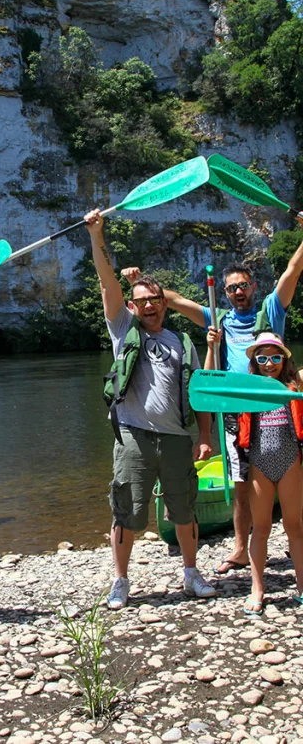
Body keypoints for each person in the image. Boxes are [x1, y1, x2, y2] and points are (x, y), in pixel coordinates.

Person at [122, 241, 303, 576]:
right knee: (240, 483)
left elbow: (292, 271)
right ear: (225, 291)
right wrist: (138, 280)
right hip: (237, 416)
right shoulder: (217, 320)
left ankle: (295, 543)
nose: (238, 292)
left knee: (293, 478)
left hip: (275, 413)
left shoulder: (271, 310)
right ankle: (239, 549)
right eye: (232, 288)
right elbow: (171, 301)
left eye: (243, 286)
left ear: (253, 286)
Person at [84, 210, 216, 610]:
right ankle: (121, 581)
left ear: (163, 303)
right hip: (133, 436)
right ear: (132, 306)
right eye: (141, 301)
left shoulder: (183, 342)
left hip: (177, 438)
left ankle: (191, 573)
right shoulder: (124, 329)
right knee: (127, 511)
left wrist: (206, 438)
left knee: (184, 508)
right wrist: (97, 235)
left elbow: (199, 394)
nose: (148, 307)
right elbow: (108, 282)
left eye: (154, 300)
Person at [205, 330, 303, 614]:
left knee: (295, 527)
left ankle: (301, 586)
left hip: (290, 464)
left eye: (275, 357)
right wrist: (213, 347)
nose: (269, 363)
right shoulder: (246, 391)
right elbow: (212, 386)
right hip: (260, 465)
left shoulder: (295, 387)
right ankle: (257, 588)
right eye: (263, 358)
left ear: (284, 360)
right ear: (255, 362)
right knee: (260, 528)